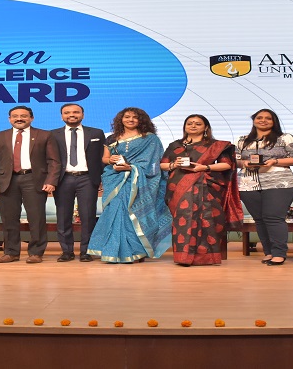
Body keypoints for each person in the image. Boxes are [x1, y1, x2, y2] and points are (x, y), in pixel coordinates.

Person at [87, 107, 172, 263]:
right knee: (114, 213)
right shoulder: (112, 138)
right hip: (115, 179)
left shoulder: (150, 139)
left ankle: (136, 252)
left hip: (138, 181)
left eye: (135, 117)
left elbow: (154, 163)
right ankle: (112, 251)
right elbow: (105, 158)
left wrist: (132, 168)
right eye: (127, 117)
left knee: (134, 213)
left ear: (141, 120)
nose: (130, 120)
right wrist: (110, 160)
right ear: (121, 119)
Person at [160, 114, 241, 266]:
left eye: (198, 124)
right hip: (178, 187)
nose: (193, 126)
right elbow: (163, 164)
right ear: (185, 126)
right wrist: (174, 165)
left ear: (206, 127)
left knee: (207, 219)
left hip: (207, 186)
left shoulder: (215, 145)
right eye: (190, 123)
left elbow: (227, 165)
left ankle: (206, 257)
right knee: (182, 220)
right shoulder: (175, 145)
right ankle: (183, 257)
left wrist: (205, 167)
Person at [0, 106, 61, 263]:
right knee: (9, 219)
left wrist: (51, 181)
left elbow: (54, 161)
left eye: (24, 116)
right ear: (9, 119)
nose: (19, 118)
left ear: (31, 118)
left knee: (36, 218)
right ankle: (11, 252)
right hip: (6, 181)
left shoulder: (45, 135)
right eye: (15, 116)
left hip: (34, 179)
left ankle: (36, 252)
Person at [236, 109, 293, 266]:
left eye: (268, 118)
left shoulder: (285, 138)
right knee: (259, 219)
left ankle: (279, 253)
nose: (263, 120)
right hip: (248, 183)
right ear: (254, 120)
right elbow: (235, 160)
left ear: (274, 121)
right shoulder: (242, 140)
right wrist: (244, 163)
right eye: (259, 117)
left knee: (273, 217)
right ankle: (269, 252)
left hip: (279, 183)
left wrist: (275, 162)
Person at [51, 103, 106, 262]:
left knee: (88, 216)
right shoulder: (53, 134)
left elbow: (102, 156)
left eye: (76, 112)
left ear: (83, 114)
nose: (71, 115)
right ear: (62, 116)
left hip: (87, 178)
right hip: (63, 178)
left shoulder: (96, 133)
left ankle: (86, 251)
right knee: (63, 216)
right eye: (67, 112)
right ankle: (66, 251)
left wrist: (101, 177)